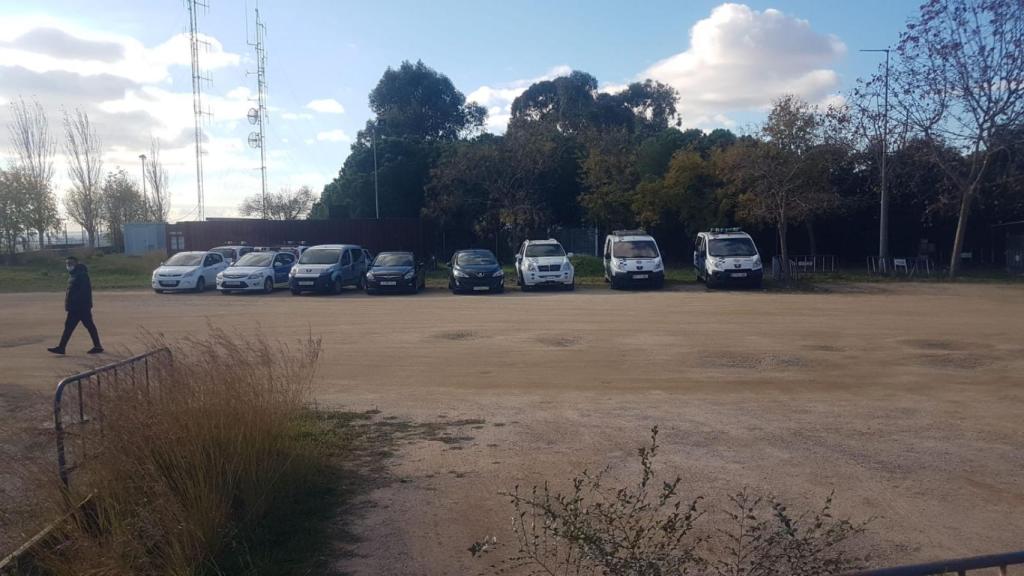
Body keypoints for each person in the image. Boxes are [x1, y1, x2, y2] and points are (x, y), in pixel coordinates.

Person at [48, 256, 103, 355]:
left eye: (70, 263)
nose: (68, 265)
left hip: (80, 308)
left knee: (82, 326)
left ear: (76, 263)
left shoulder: (81, 275)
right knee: (78, 326)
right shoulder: (73, 275)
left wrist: (77, 305)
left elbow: (83, 292)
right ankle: (62, 347)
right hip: (76, 307)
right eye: (67, 263)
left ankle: (62, 347)